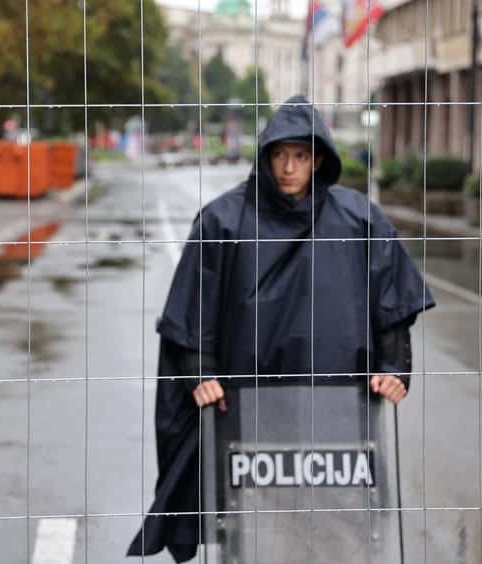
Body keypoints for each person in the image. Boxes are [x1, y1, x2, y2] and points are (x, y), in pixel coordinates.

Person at [127, 95, 434, 561]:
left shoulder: (359, 220)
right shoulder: (223, 221)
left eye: (301, 155)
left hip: (337, 406)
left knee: (334, 524)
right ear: (265, 156)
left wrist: (393, 364)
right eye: (280, 154)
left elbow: (390, 300)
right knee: (251, 522)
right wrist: (199, 371)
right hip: (249, 408)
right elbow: (192, 312)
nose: (289, 168)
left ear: (319, 159)